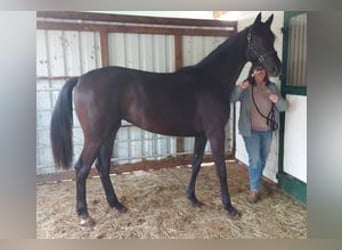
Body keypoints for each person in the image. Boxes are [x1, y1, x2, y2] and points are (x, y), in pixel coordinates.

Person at [230, 64, 287, 203]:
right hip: (250, 131)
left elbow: (284, 107)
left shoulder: (272, 87)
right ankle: (254, 190)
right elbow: (232, 98)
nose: (260, 72)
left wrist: (277, 100)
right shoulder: (247, 87)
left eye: (262, 69)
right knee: (255, 159)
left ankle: (254, 182)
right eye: (257, 69)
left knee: (262, 159)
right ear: (252, 72)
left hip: (267, 130)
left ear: (266, 72)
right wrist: (239, 88)